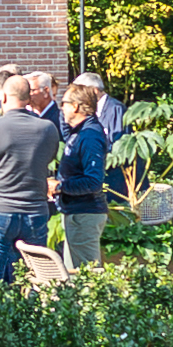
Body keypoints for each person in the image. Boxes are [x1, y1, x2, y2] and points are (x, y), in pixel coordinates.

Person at [0, 75, 61, 285]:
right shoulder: (47, 129)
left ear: (4, 96)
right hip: (34, 210)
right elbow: (50, 158)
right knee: (34, 277)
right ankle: (32, 316)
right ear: (28, 97)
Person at [54, 73, 113, 267]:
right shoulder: (79, 132)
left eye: (64, 103)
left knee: (87, 276)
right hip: (77, 212)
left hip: (86, 212)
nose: (61, 108)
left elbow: (93, 181)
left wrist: (61, 186)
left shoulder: (89, 136)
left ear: (76, 106)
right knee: (74, 275)